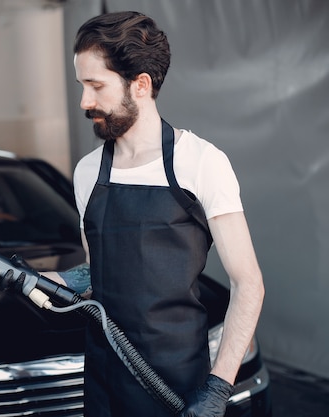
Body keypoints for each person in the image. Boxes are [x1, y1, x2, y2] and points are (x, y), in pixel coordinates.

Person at [42, 11, 265, 417]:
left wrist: (217, 389)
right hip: (103, 385)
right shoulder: (87, 172)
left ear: (140, 84)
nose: (84, 102)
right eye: (81, 86)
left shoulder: (199, 162)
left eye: (95, 86)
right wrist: (29, 278)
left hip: (177, 388)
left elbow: (248, 284)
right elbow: (96, 273)